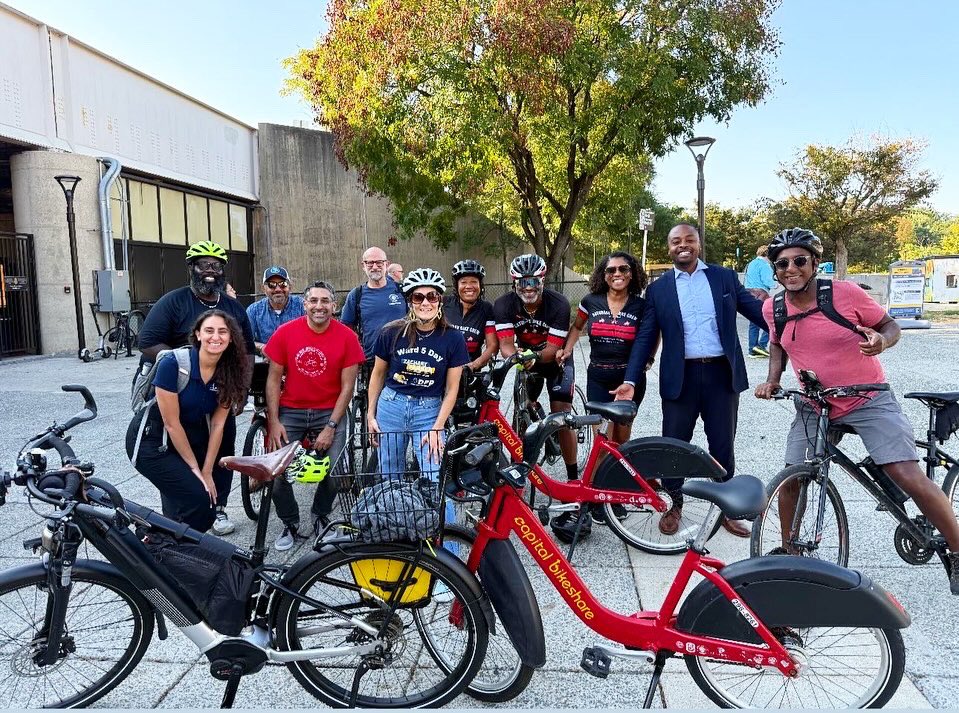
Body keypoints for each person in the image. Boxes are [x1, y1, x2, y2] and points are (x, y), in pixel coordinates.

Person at [754, 228, 959, 594]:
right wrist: (772, 379)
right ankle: (789, 554)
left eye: (799, 260)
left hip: (867, 397)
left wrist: (882, 340)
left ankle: (958, 549)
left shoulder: (844, 294)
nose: (791, 268)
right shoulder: (775, 306)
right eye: (782, 263)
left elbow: (889, 325)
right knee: (792, 477)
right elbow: (776, 343)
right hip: (816, 401)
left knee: (905, 474)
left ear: (815, 263)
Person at [615, 224, 766, 538]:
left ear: (698, 244)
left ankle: (725, 509)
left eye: (689, 240)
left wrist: (794, 325)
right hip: (679, 378)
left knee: (722, 445)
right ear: (668, 248)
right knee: (674, 446)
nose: (682, 245)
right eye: (675, 241)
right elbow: (646, 337)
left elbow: (757, 312)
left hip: (721, 376)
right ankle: (674, 503)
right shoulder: (659, 289)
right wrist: (631, 377)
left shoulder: (724, 278)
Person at [136, 240, 255, 535]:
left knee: (222, 445)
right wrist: (186, 364)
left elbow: (248, 351)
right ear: (192, 268)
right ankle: (175, 516)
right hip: (182, 395)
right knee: (178, 454)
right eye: (204, 264)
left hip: (219, 394)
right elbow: (147, 342)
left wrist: (242, 388)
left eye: (216, 265)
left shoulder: (232, 308)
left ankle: (218, 506)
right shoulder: (173, 302)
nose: (211, 271)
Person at [125, 311, 250, 532]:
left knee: (193, 503)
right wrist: (195, 469)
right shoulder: (173, 364)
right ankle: (155, 539)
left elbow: (218, 425)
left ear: (231, 337)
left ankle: (174, 551)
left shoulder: (229, 371)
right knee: (199, 499)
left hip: (187, 440)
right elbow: (171, 423)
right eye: (209, 330)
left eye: (223, 331)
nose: (216, 337)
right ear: (197, 334)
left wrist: (208, 470)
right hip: (152, 442)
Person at [264, 281, 365, 551]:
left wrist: (331, 426)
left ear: (334, 305)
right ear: (304, 304)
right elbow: (273, 380)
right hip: (292, 410)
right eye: (313, 301)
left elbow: (348, 387)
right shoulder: (285, 333)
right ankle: (290, 522)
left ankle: (320, 515)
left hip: (329, 411)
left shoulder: (347, 337)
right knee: (275, 472)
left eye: (325, 301)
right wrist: (273, 421)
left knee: (337, 471)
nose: (319, 306)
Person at [367, 268, 468, 483]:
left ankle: (445, 519)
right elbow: (377, 375)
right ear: (410, 301)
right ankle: (394, 517)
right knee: (389, 476)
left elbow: (452, 389)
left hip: (429, 411)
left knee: (434, 477)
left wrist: (437, 427)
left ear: (440, 301)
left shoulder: (453, 338)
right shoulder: (390, 332)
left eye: (432, 296)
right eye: (418, 297)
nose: (425, 303)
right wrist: (370, 415)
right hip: (391, 407)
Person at [558, 251, 649, 444]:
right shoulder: (590, 301)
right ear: (604, 275)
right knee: (602, 443)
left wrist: (650, 357)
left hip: (630, 380)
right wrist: (567, 349)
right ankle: (599, 475)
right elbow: (576, 327)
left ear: (632, 273)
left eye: (623, 269)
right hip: (598, 379)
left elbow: (651, 334)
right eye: (611, 270)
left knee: (621, 441)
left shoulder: (641, 305)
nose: (617, 273)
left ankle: (619, 474)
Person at [340, 246, 407, 360]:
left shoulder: (402, 291)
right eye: (370, 263)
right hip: (371, 361)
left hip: (404, 359)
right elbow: (346, 327)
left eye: (379, 263)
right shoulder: (356, 295)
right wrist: (357, 349)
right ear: (363, 266)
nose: (375, 267)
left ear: (386, 264)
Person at [444, 260, 498, 372]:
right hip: (443, 369)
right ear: (456, 286)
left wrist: (473, 365)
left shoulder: (487, 309)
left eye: (474, 282)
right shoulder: (444, 304)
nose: (469, 286)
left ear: (480, 285)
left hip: (471, 372)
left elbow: (492, 345)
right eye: (463, 282)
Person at [246, 266, 306, 356]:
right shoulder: (253, 310)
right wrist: (263, 347)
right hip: (267, 362)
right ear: (263, 289)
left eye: (283, 284)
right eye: (271, 285)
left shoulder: (303, 306)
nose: (278, 289)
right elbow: (246, 340)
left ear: (290, 286)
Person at [744, 245, 775, 358]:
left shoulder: (751, 263)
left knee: (753, 322)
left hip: (748, 292)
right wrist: (776, 284)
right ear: (767, 254)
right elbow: (767, 281)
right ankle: (761, 345)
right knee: (770, 320)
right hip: (761, 293)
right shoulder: (765, 265)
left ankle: (752, 348)